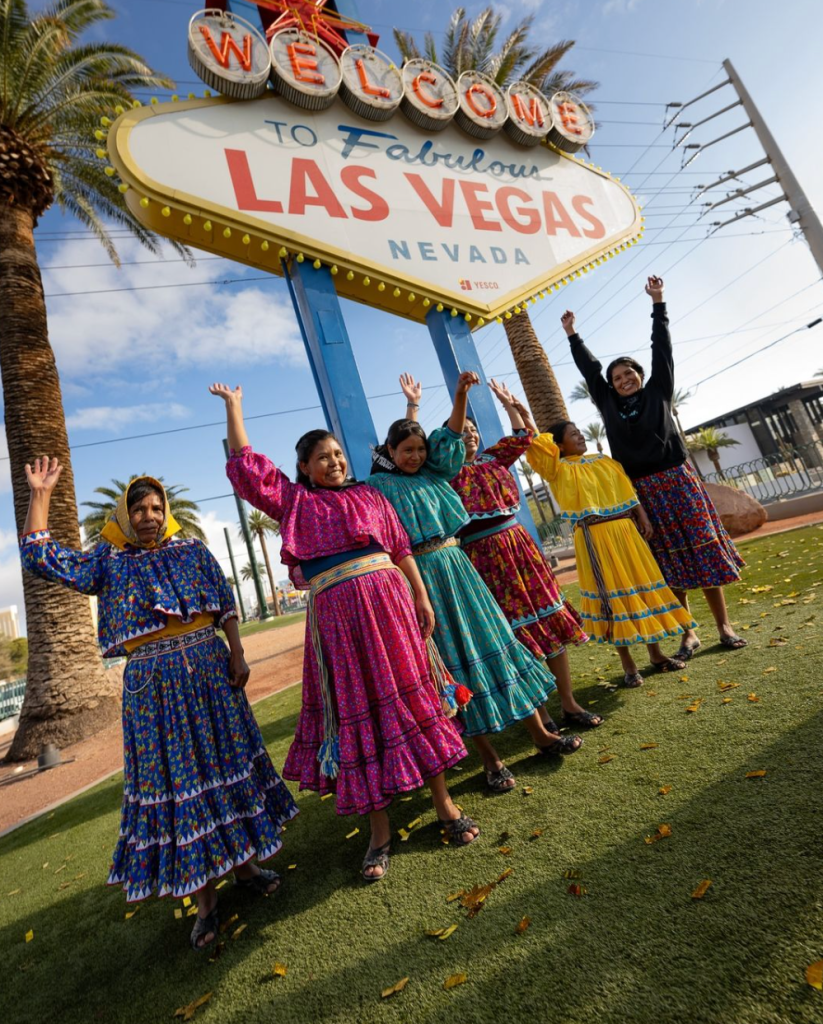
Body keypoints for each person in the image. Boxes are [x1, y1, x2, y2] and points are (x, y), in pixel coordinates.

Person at [19, 460, 296, 952]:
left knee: (226, 766)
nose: (148, 515)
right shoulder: (109, 560)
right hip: (153, 690)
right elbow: (42, 558)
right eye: (138, 508)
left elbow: (223, 598)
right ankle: (206, 903)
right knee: (181, 780)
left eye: (155, 507)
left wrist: (237, 650)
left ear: (166, 510)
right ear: (124, 515)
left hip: (212, 675)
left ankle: (247, 867)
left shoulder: (192, 549)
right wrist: (40, 494)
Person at [210, 384, 477, 885]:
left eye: (337, 454)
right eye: (321, 457)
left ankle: (444, 802)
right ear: (305, 469)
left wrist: (420, 596)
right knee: (360, 711)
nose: (333, 462)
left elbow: (399, 549)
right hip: (337, 619)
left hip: (391, 605)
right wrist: (235, 409)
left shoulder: (370, 495)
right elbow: (248, 472)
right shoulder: (294, 504)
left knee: (412, 699)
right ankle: (379, 832)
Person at [367, 371, 582, 796]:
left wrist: (460, 395)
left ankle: (540, 733)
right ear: (389, 452)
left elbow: (449, 437)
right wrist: (410, 409)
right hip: (421, 578)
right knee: (452, 661)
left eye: (419, 449)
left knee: (496, 641)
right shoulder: (378, 488)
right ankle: (491, 758)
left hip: (459, 566)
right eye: (405, 450)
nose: (414, 455)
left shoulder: (436, 472)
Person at [399, 373, 599, 733]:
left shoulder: (495, 459)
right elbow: (414, 442)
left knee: (547, 618)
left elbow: (524, 436)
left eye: (474, 430)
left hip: (520, 549)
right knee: (513, 633)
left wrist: (512, 405)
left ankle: (568, 702)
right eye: (463, 431)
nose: (470, 434)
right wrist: (416, 405)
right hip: (481, 560)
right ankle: (543, 713)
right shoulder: (442, 473)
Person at [563, 275, 746, 659]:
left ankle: (724, 626)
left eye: (629, 374)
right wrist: (573, 336)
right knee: (666, 562)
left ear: (641, 377)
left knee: (702, 552)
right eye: (617, 378)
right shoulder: (608, 404)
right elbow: (590, 372)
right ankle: (686, 633)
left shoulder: (659, 391)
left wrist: (658, 303)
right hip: (643, 493)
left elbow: (661, 348)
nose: (624, 379)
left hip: (679, 483)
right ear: (611, 386)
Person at [526, 423, 697, 687]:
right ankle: (628, 666)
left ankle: (656, 654)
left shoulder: (604, 461)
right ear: (559, 446)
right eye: (573, 434)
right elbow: (538, 444)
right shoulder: (556, 469)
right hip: (594, 537)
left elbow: (627, 490)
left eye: (579, 431)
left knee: (641, 590)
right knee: (612, 600)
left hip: (626, 532)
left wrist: (642, 517)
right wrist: (521, 413)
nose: (580, 435)